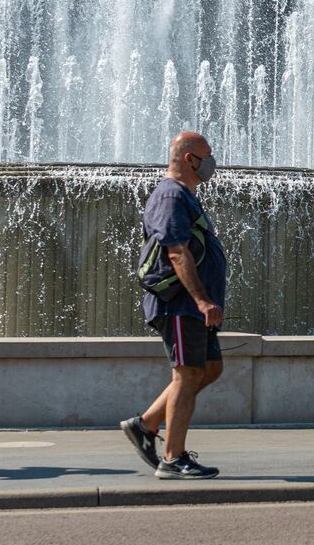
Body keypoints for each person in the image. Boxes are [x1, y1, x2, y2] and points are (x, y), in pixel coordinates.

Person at [120, 131, 229, 480]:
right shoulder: (170, 196)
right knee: (186, 373)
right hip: (179, 304)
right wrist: (201, 299)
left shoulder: (186, 195)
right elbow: (176, 251)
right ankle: (173, 458)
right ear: (188, 159)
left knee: (209, 368)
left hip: (192, 306)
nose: (212, 161)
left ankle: (146, 424)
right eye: (207, 155)